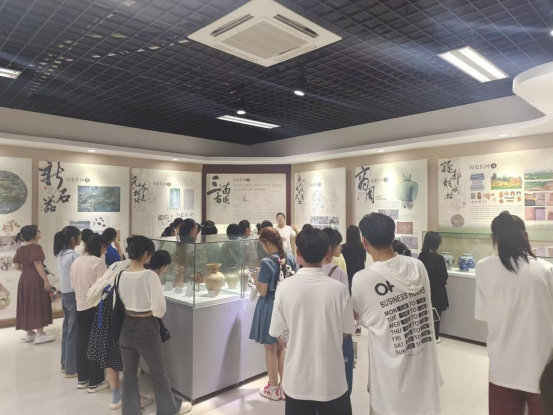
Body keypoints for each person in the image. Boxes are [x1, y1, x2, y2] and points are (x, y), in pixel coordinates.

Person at [352, 213, 442, 415]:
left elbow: (361, 317)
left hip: (388, 377)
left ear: (364, 242)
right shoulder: (417, 266)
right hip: (423, 369)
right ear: (393, 237)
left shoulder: (362, 278)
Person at [270, 227, 355, 414]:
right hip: (332, 380)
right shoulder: (339, 290)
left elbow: (277, 331)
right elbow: (347, 331)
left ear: (298, 253)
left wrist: (295, 345)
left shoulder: (284, 288)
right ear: (327, 252)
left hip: (297, 381)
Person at [475, 212, 553, 415]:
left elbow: (483, 315)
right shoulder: (546, 270)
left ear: (494, 239)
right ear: (525, 236)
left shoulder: (483, 268)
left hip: (502, 365)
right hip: (541, 366)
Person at [118, 236, 192, 415]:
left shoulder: (121, 274)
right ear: (145, 254)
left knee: (129, 374)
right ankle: (167, 410)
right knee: (158, 373)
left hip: (125, 326)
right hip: (146, 326)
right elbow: (159, 310)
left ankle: (130, 411)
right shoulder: (149, 275)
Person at [250, 227, 296, 401]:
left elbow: (263, 291)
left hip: (270, 305)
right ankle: (284, 387)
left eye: (263, 243)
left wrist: (255, 278)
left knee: (270, 348)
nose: (262, 247)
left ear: (267, 242)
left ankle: (273, 388)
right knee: (281, 347)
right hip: (285, 307)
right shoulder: (289, 257)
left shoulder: (266, 261)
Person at [71, 234, 109, 392]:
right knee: (96, 343)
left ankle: (82, 378)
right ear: (100, 246)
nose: (105, 250)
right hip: (95, 307)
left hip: (80, 305)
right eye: (105, 247)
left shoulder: (77, 261)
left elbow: (73, 285)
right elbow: (104, 287)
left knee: (82, 342)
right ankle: (95, 381)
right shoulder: (98, 262)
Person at [321, 228, 354, 396]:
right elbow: (346, 304)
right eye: (338, 244)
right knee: (343, 379)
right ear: (329, 248)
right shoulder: (338, 272)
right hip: (339, 332)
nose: (341, 247)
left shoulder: (310, 270)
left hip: (320, 332)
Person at [13, 225, 54, 344]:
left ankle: (29, 333)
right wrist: (46, 280)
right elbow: (38, 264)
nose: (40, 232)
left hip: (24, 279)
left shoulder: (20, 249)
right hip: (36, 279)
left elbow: (16, 266)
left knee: (27, 302)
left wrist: (27, 271)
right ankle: (40, 334)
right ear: (33, 234)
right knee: (38, 302)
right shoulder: (36, 247)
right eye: (38, 231)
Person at [54, 226, 81, 377]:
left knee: (66, 330)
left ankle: (64, 364)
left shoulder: (60, 254)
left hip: (64, 294)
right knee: (73, 332)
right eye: (78, 235)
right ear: (72, 238)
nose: (80, 238)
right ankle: (71, 369)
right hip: (73, 294)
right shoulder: (74, 256)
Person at [418, 232, 449, 343]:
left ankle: (425, 335)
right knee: (436, 315)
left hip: (423, 290)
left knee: (424, 313)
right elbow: (444, 277)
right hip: (437, 290)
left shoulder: (421, 256)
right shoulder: (439, 258)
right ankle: (435, 336)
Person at [342, 225, 366, 336]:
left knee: (347, 300)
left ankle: (349, 325)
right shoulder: (362, 247)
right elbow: (363, 263)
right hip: (359, 276)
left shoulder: (343, 248)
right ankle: (358, 326)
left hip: (347, 275)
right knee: (357, 300)